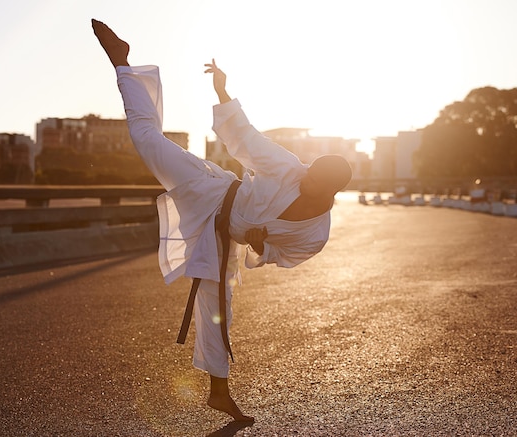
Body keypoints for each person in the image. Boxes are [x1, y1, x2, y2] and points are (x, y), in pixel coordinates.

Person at [91, 19, 352, 422]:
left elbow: (280, 256)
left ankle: (219, 394)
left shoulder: (315, 234)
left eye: (315, 181)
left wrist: (261, 243)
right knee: (148, 141)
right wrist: (222, 90)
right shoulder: (291, 168)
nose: (305, 177)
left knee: (217, 315)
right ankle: (123, 65)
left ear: (331, 192)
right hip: (213, 190)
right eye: (309, 170)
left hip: (223, 241)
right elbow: (246, 138)